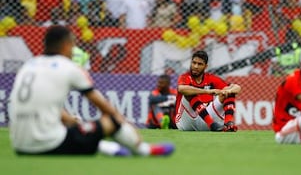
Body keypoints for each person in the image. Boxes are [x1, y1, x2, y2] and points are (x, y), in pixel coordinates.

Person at [9, 25, 174, 156]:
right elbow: (104, 108)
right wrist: (127, 126)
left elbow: (40, 102)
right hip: (48, 145)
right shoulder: (69, 67)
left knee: (75, 125)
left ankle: (109, 149)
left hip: (19, 145)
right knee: (111, 121)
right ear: (66, 45)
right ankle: (143, 150)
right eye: (72, 45)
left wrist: (70, 120)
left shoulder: (29, 65)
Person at [175, 50, 241, 131]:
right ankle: (211, 123)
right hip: (186, 122)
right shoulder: (185, 77)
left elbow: (237, 87)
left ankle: (228, 123)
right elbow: (181, 89)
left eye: (199, 64)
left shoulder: (211, 78)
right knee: (188, 92)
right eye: (194, 63)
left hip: (204, 119)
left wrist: (228, 91)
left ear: (206, 66)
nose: (195, 66)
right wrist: (208, 91)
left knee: (228, 91)